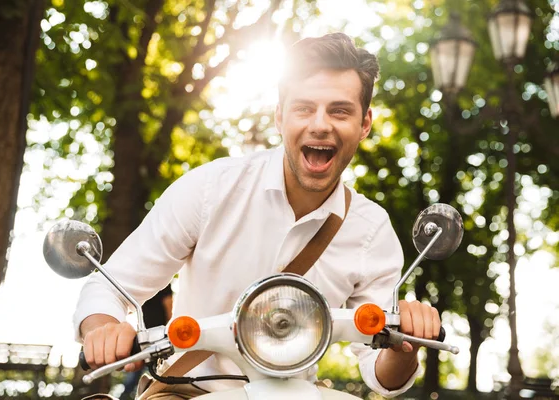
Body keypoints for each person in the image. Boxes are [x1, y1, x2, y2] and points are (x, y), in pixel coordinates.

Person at [74, 32, 441, 398]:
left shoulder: (371, 229)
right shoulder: (210, 188)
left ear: (364, 124)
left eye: (339, 110)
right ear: (280, 117)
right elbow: (109, 285)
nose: (320, 124)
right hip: (186, 391)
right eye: (303, 108)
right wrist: (104, 329)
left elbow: (382, 376)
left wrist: (405, 345)